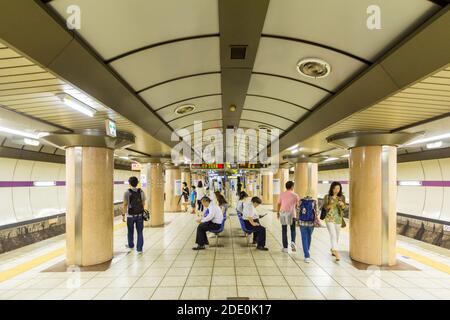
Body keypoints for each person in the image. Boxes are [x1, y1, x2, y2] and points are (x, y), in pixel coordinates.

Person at [322, 181, 347, 261]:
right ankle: (336, 252)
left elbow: (344, 208)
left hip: (338, 219)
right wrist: (331, 204)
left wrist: (342, 205)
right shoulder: (327, 196)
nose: (337, 190)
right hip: (329, 218)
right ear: (332, 188)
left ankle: (333, 249)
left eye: (338, 188)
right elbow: (325, 207)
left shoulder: (342, 197)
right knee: (333, 235)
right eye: (335, 188)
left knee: (336, 236)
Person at [122, 176, 146, 254]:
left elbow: (125, 204)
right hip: (139, 215)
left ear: (129, 183)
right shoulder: (141, 192)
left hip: (130, 216)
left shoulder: (127, 192)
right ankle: (139, 249)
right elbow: (143, 203)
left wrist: (123, 215)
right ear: (137, 183)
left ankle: (131, 245)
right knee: (140, 232)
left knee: (130, 231)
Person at [277, 181, 300, 253]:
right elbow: (298, 205)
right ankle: (293, 242)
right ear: (292, 187)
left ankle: (285, 247)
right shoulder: (295, 195)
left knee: (284, 230)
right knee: (293, 229)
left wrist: (277, 213)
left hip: (283, 213)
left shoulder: (282, 194)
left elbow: (278, 204)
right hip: (292, 214)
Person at [298, 194, 319, 263]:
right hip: (311, 222)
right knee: (309, 237)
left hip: (302, 222)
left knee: (304, 238)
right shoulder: (314, 201)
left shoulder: (300, 201)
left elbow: (298, 211)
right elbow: (317, 212)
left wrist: (297, 221)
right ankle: (307, 251)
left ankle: (306, 255)